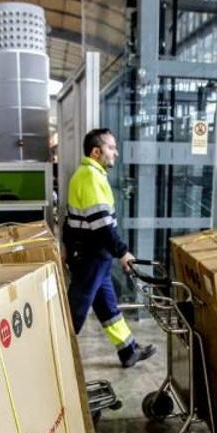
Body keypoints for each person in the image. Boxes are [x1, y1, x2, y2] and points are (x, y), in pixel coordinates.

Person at [64, 128, 155, 368]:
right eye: (111, 147)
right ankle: (56, 359)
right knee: (75, 311)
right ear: (96, 151)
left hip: (95, 257)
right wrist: (122, 252)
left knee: (107, 306)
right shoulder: (91, 178)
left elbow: (69, 219)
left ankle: (128, 351)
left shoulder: (89, 175)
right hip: (90, 258)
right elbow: (103, 225)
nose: (116, 152)